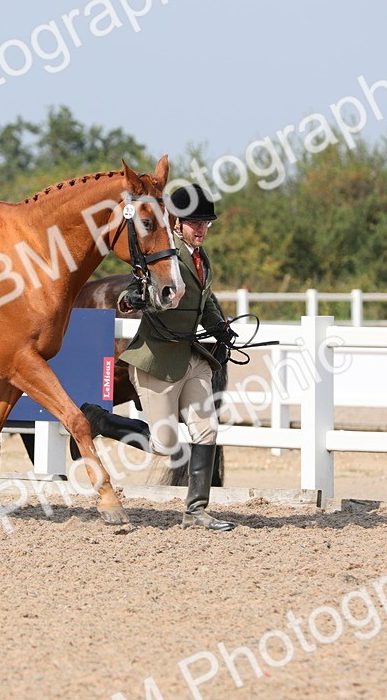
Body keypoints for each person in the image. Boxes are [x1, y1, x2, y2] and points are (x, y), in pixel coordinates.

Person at [111, 182, 235, 531]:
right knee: (163, 444)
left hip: (191, 358)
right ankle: (99, 420)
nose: (202, 230)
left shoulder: (201, 258)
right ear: (177, 223)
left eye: (206, 223)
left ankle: (195, 511)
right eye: (196, 223)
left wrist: (221, 329)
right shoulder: (165, 254)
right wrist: (131, 299)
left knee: (206, 430)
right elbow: (130, 292)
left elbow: (205, 301)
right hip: (157, 360)